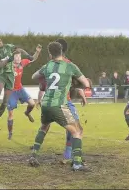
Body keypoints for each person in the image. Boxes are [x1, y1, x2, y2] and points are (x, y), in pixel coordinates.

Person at [29, 41, 91, 172]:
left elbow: (34, 76)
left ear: (50, 53)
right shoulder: (70, 66)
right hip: (59, 105)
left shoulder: (47, 66)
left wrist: (46, 79)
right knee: (77, 131)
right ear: (62, 52)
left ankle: (33, 155)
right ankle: (77, 163)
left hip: (45, 104)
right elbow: (86, 83)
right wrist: (73, 82)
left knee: (44, 127)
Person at [0, 38, 35, 129]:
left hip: (10, 76)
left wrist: (28, 56)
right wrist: (8, 59)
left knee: (5, 102)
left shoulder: (9, 47)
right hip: (1, 74)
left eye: (0, 41)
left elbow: (19, 50)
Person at [6, 45, 42, 140]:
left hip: (20, 89)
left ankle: (27, 113)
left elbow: (33, 59)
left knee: (32, 103)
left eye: (19, 56)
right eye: (16, 56)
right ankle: (10, 133)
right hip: (11, 92)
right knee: (10, 114)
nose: (18, 58)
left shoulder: (22, 63)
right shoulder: (7, 66)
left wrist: (37, 52)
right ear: (12, 57)